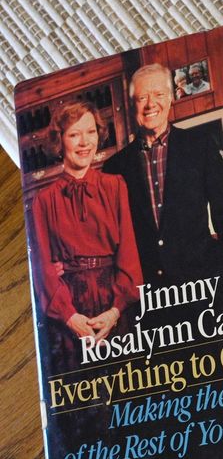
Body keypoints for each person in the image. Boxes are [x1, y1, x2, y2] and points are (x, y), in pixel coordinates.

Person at [104, 62, 223, 285]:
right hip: (148, 294)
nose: (151, 104)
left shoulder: (200, 146)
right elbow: (110, 237)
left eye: (158, 94)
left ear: (170, 98)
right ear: (132, 105)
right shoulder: (115, 167)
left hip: (203, 286)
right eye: (142, 98)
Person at [27, 101, 142, 369]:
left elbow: (129, 253)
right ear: (59, 142)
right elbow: (43, 267)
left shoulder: (115, 186)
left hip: (115, 305)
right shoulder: (43, 201)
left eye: (90, 132)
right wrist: (70, 317)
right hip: (69, 308)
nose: (84, 142)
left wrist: (115, 311)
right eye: (74, 134)